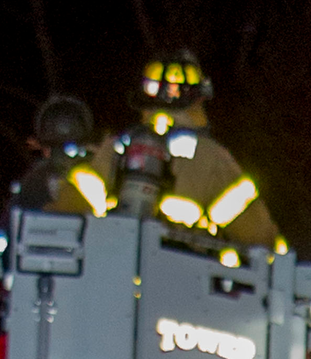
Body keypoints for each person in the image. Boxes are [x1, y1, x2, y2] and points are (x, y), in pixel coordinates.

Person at [79, 52, 281, 251]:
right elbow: (260, 239)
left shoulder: (114, 148)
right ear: (199, 98)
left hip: (109, 269)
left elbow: (66, 215)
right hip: (185, 275)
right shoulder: (212, 158)